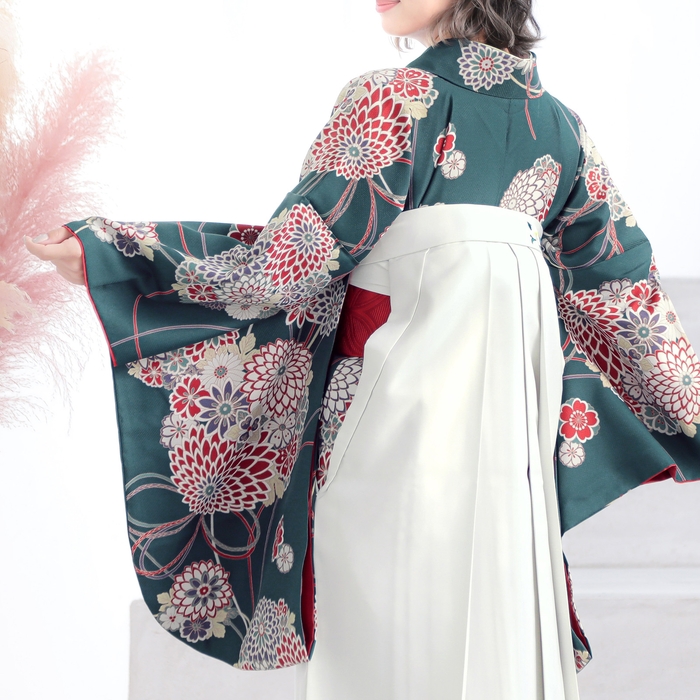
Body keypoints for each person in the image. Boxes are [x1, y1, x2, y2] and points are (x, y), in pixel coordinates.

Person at [25, 1, 700, 699]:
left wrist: (118, 256)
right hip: (509, 460)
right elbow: (624, 298)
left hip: (390, 435)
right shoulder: (560, 129)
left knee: (387, 651)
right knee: (490, 643)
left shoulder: (392, 98)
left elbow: (288, 261)